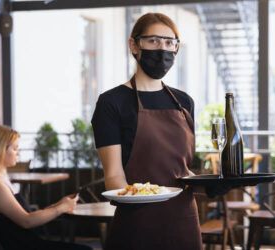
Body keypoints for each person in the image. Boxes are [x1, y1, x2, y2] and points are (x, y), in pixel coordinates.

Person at [91, 12, 202, 250]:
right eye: (153, 41)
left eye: (169, 42)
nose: (162, 49)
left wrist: (211, 185)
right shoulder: (112, 103)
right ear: (134, 45)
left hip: (184, 220)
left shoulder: (184, 102)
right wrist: (135, 201)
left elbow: (183, 170)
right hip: (137, 223)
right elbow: (113, 174)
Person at [0, 125, 91, 250]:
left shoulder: (0, 179)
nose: (18, 153)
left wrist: (59, 205)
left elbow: (28, 216)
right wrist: (60, 208)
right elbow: (26, 221)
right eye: (15, 148)